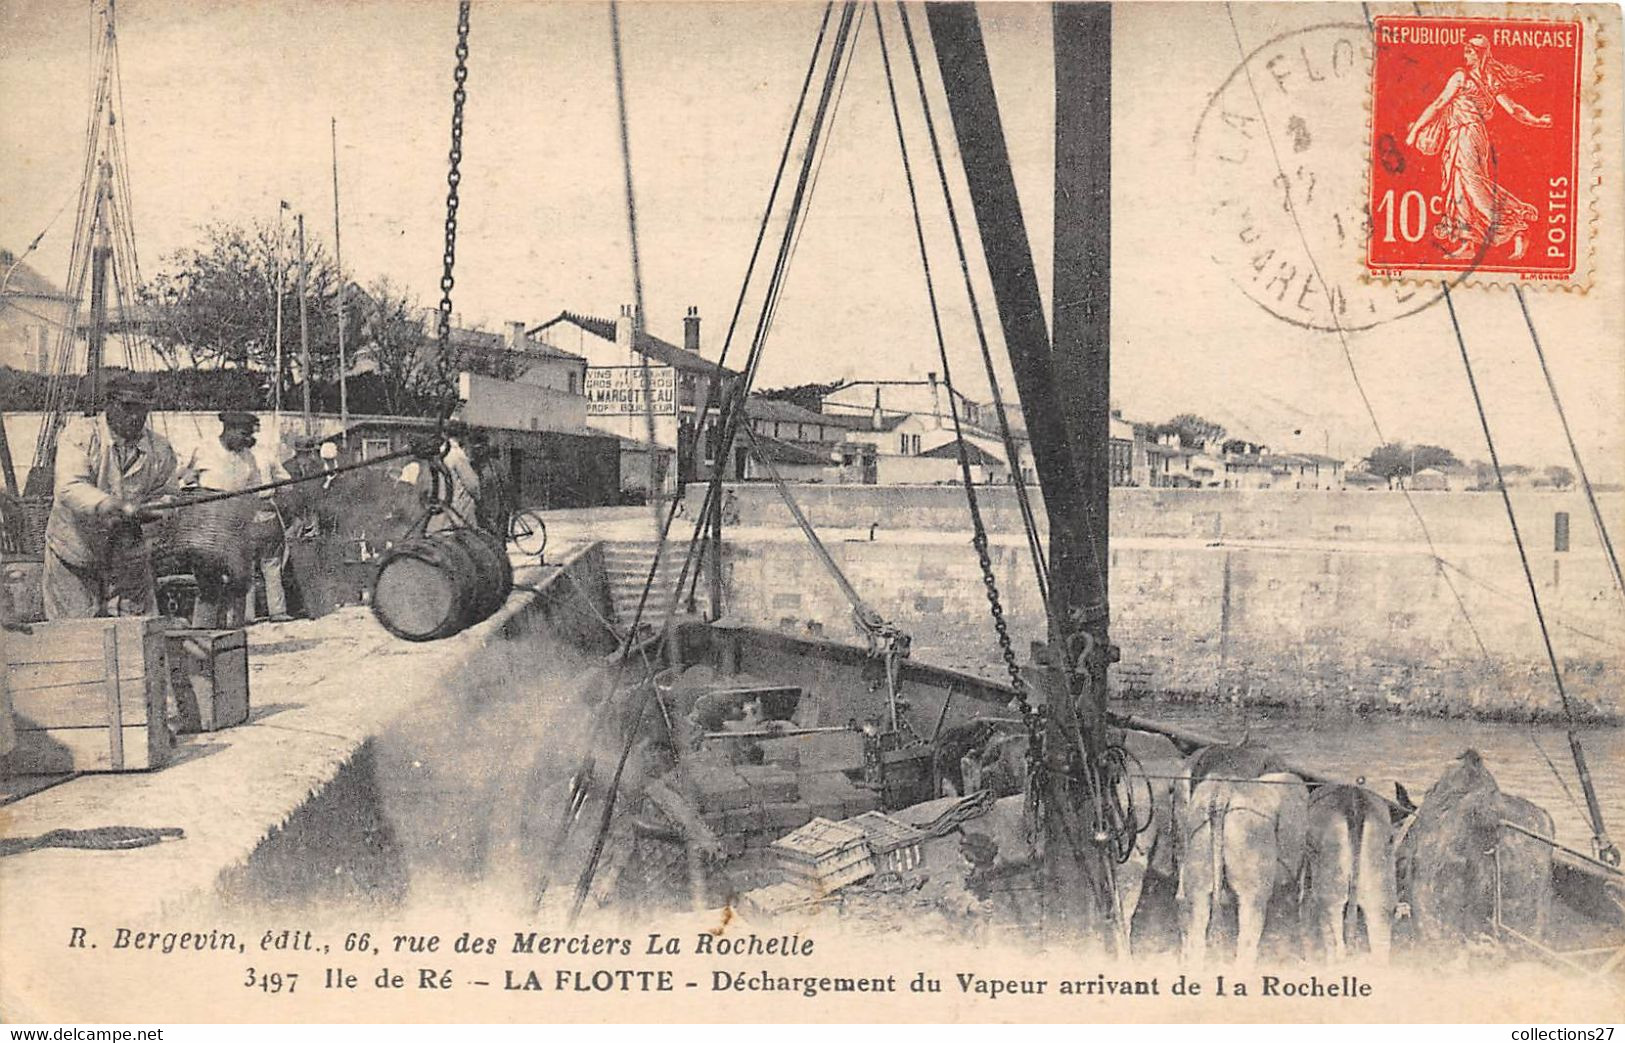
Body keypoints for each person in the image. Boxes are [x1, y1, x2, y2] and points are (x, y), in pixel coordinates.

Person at [43, 369, 179, 619]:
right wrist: (107, 504)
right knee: (75, 637)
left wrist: (154, 510)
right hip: (75, 552)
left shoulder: (160, 449)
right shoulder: (80, 435)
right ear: (110, 405)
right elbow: (69, 487)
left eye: (142, 408)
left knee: (138, 633)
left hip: (128, 557)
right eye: (128, 407)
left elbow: (168, 495)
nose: (136, 416)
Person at [1405, 35, 1553, 261]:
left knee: (1472, 187)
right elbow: (1514, 110)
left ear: (1479, 53)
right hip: (1466, 136)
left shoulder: (1461, 77)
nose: (1466, 56)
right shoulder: (1490, 79)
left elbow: (1438, 104)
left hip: (1466, 134)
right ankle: (1469, 243)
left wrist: (1415, 130)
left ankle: (1517, 225)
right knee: (1459, 187)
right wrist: (1537, 120)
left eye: (1469, 52)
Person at [182, 411, 273, 628]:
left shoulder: (249, 458)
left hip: (237, 526)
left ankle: (233, 631)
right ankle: (203, 632)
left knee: (240, 580)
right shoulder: (203, 450)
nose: (247, 440)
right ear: (228, 429)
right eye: (243, 434)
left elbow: (256, 490)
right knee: (208, 582)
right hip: (207, 527)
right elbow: (183, 483)